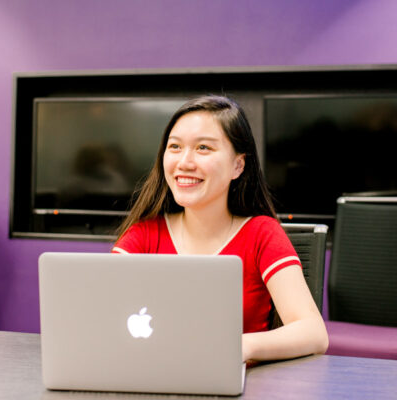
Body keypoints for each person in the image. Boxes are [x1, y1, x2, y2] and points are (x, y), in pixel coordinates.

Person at [112, 95, 328, 363]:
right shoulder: (143, 235)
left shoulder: (262, 233)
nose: (184, 162)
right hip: (152, 376)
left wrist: (239, 347)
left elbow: (314, 332)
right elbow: (102, 315)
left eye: (203, 148)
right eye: (175, 147)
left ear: (238, 165)